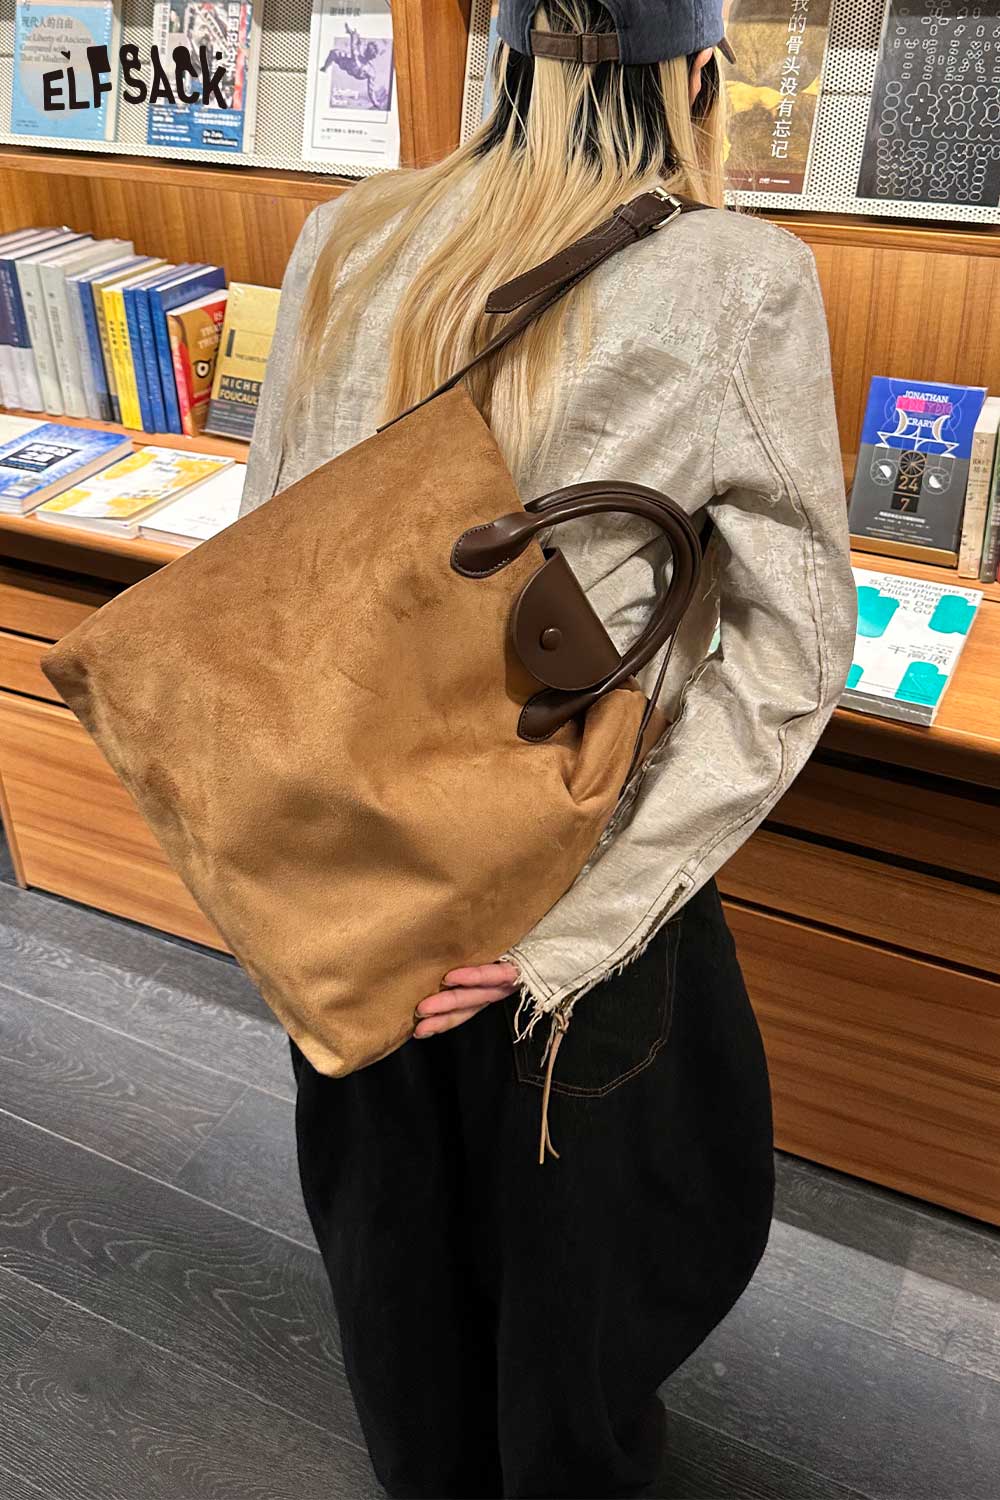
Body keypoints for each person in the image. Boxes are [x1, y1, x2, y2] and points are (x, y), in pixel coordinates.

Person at [238, 2, 858, 1496]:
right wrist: (576, 938)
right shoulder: (739, 276)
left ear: (497, 56)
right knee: (580, 1299)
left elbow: (263, 566)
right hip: (573, 882)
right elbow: (793, 656)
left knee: (394, 1252)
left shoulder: (344, 235)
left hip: (361, 880)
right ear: (696, 76)